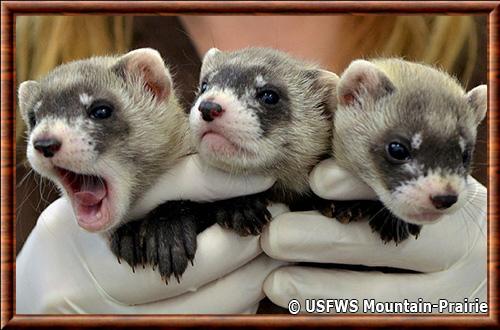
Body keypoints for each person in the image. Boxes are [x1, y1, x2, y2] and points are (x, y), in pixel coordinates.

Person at [16, 15, 487, 313]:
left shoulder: (479, 44)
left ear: (330, 108)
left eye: (267, 98)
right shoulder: (25, 44)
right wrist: (20, 304)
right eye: (204, 91)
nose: (209, 105)